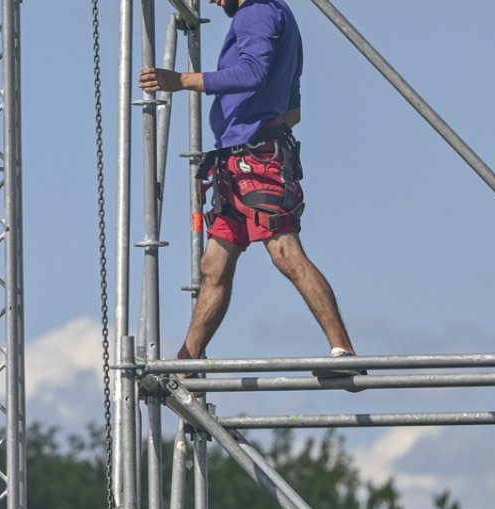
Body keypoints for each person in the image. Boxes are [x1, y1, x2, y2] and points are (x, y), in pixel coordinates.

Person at [138, 0, 360, 374]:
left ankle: (344, 351)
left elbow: (252, 72)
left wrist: (181, 81)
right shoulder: (276, 12)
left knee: (285, 251)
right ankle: (186, 363)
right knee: (214, 266)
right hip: (242, 157)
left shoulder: (256, 11)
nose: (213, 0)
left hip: (256, 157)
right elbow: (293, 103)